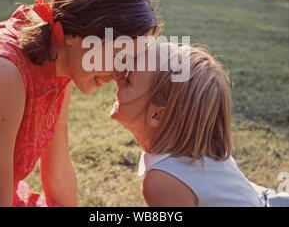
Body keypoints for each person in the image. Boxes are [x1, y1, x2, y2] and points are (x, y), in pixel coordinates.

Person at [0, 0, 160, 207]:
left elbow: (57, 174)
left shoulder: (61, 65)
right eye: (119, 57)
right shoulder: (2, 73)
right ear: (77, 36)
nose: (119, 75)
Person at [111, 43, 289, 207]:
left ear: (157, 115)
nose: (118, 79)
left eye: (128, 81)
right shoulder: (198, 150)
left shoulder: (163, 180)